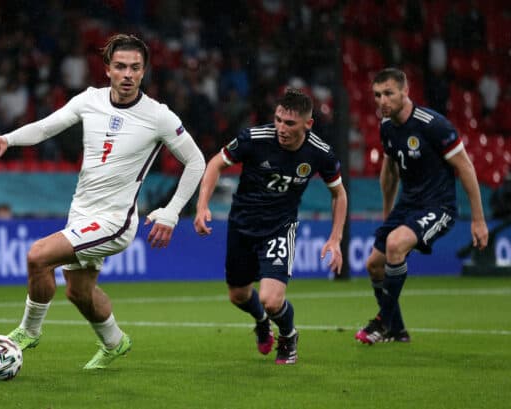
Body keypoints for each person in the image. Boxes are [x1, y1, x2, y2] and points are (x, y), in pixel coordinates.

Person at [0, 34, 205, 369]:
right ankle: (115, 342)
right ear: (107, 69)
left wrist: (171, 213)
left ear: (144, 71)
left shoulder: (158, 116)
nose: (128, 74)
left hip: (115, 220)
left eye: (135, 67)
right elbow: (46, 128)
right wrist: (6, 138)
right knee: (78, 292)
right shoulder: (90, 100)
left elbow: (196, 161)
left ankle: (28, 331)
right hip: (82, 212)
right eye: (120, 66)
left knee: (38, 257)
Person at [194, 88, 347, 365]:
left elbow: (339, 194)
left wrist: (335, 238)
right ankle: (262, 322)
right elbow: (216, 163)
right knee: (238, 295)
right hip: (242, 226)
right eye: (278, 120)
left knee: (272, 299)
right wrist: (202, 205)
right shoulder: (254, 139)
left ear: (307, 124)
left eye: (289, 123)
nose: (281, 128)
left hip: (279, 228)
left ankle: (288, 335)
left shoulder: (320, 153)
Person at [355, 68, 489, 344]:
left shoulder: (433, 125)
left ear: (406, 91)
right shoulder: (386, 126)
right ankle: (398, 331)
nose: (382, 101)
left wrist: (478, 219)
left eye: (389, 93)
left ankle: (383, 321)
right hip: (407, 205)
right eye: (377, 95)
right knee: (374, 265)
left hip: (438, 206)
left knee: (395, 245)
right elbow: (389, 172)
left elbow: (465, 167)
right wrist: (387, 213)